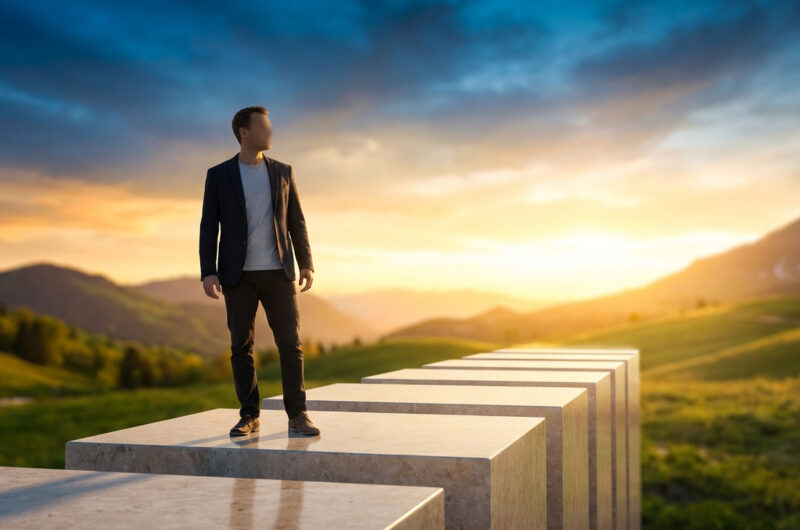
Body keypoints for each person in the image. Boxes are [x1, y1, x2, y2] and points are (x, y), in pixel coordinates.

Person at [199, 105, 320, 437]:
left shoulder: (283, 171)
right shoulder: (219, 175)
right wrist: (208, 271)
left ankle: (298, 415)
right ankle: (249, 415)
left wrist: (306, 261)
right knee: (241, 346)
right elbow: (209, 226)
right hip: (238, 275)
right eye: (264, 127)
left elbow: (296, 220)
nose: (271, 132)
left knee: (290, 344)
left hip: (278, 272)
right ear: (244, 133)